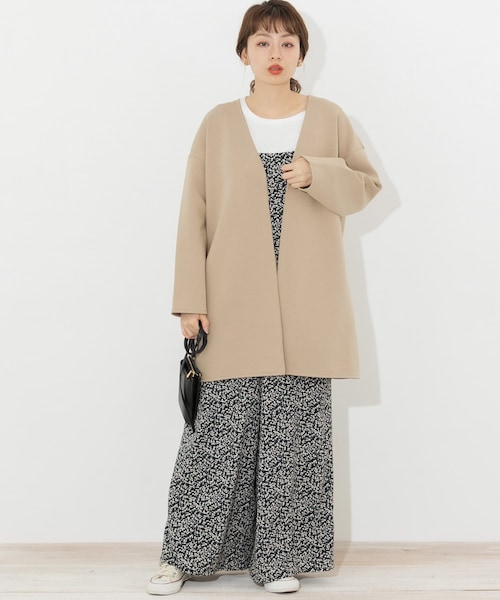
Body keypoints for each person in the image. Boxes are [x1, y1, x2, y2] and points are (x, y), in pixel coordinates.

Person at [147, 0, 381, 595]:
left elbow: (366, 186)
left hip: (309, 306)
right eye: (262, 42)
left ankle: (279, 560)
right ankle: (183, 556)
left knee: (294, 436)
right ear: (243, 52)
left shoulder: (329, 118)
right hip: (230, 301)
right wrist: (189, 299)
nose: (275, 54)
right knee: (215, 436)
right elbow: (193, 215)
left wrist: (318, 174)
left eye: (286, 43)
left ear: (302, 54)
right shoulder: (218, 123)